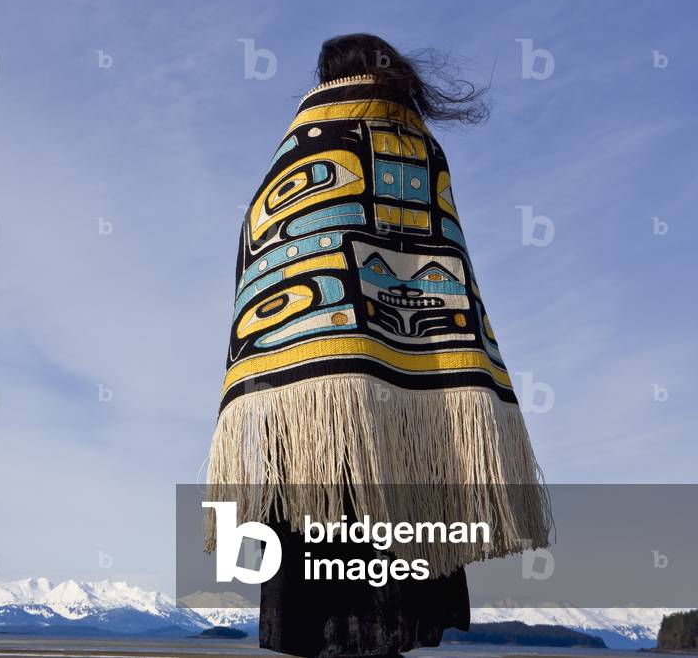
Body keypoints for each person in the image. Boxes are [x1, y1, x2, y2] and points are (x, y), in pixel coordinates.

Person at [204, 33, 550, 657]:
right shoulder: (423, 151)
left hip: (315, 407)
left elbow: (264, 259)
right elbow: (448, 266)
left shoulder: (302, 148)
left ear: (327, 73)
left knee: (324, 586)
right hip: (416, 407)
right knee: (388, 586)